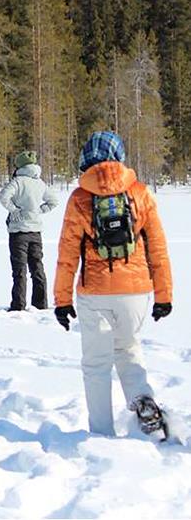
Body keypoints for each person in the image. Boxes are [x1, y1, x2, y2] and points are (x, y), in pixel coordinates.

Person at [53, 131, 173, 437]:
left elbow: (67, 254)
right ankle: (142, 399)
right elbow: (157, 247)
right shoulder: (140, 193)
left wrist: (62, 300)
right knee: (128, 347)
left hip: (95, 292)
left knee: (96, 364)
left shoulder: (80, 198)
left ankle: (102, 433)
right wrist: (163, 295)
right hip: (136, 291)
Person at [0, 150, 58, 311]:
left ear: (19, 165)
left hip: (18, 232)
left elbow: (3, 197)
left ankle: (18, 304)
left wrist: (15, 210)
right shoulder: (39, 182)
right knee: (37, 268)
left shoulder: (18, 181)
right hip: (36, 231)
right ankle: (40, 304)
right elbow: (54, 201)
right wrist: (40, 211)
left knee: (19, 270)